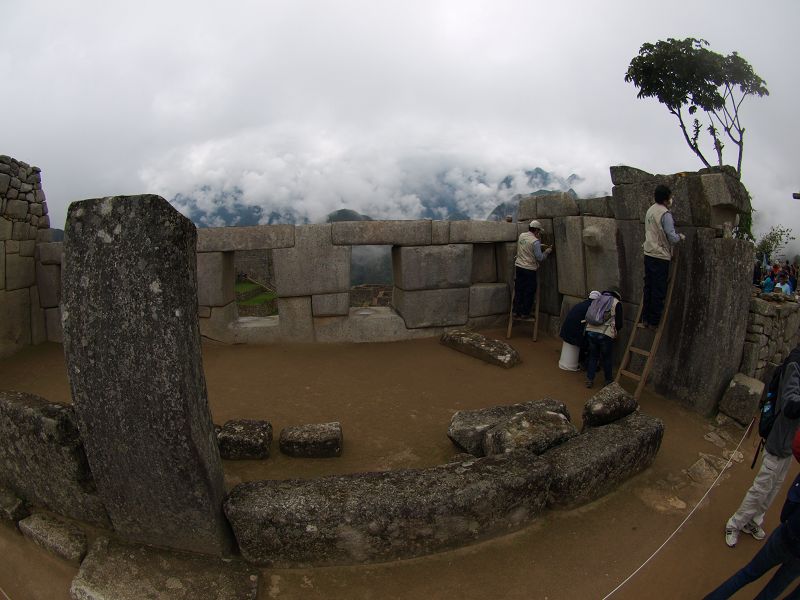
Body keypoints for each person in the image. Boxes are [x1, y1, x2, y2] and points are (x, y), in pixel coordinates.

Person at [724, 344, 800, 548]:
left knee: (774, 487)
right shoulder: (795, 364)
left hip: (789, 443)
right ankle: (735, 523)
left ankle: (753, 521)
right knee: (761, 487)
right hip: (779, 439)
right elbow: (790, 404)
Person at [705, 451, 800, 598]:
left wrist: (788, 521)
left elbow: (791, 503)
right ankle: (737, 524)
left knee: (748, 573)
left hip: (790, 533)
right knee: (772, 591)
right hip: (793, 541)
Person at [642, 185, 685, 328]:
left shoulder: (650, 210)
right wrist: (681, 237)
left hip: (648, 252)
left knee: (648, 286)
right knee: (659, 289)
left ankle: (645, 317)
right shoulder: (665, 214)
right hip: (660, 255)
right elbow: (671, 237)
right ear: (666, 198)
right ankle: (654, 321)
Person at [584, 287, 623, 388]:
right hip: (604, 334)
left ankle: (589, 379)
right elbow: (619, 323)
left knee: (593, 356)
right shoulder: (616, 302)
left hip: (591, 331)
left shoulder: (597, 299)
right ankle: (608, 380)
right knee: (607, 358)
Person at [513, 219, 552, 318]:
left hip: (519, 266)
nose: (539, 233)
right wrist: (547, 251)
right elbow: (540, 257)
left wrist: (539, 245)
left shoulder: (522, 236)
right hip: (529, 269)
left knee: (519, 289)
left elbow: (526, 247)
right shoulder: (535, 242)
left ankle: (516, 311)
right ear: (536, 230)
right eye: (538, 231)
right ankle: (525, 313)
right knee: (529, 290)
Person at [559, 290, 601, 369]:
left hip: (566, 331)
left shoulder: (581, 304)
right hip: (575, 335)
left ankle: (580, 360)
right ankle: (588, 364)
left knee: (583, 341)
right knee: (592, 342)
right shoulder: (593, 307)